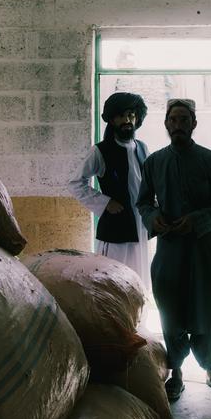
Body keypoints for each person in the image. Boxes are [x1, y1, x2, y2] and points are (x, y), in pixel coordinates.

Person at [136, 98, 211, 401]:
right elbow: (143, 202)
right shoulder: (154, 162)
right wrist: (155, 218)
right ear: (166, 124)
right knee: (171, 312)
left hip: (207, 249)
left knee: (210, 311)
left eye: (183, 120)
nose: (178, 125)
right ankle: (175, 373)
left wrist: (195, 220)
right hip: (171, 250)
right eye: (173, 120)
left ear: (194, 124)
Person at [68, 92, 150, 290]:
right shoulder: (100, 151)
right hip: (116, 230)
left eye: (131, 115)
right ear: (112, 120)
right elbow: (75, 183)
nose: (127, 120)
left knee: (139, 284)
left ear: (137, 118)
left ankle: (140, 322)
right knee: (113, 283)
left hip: (141, 227)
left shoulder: (142, 148)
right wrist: (105, 203)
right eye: (121, 116)